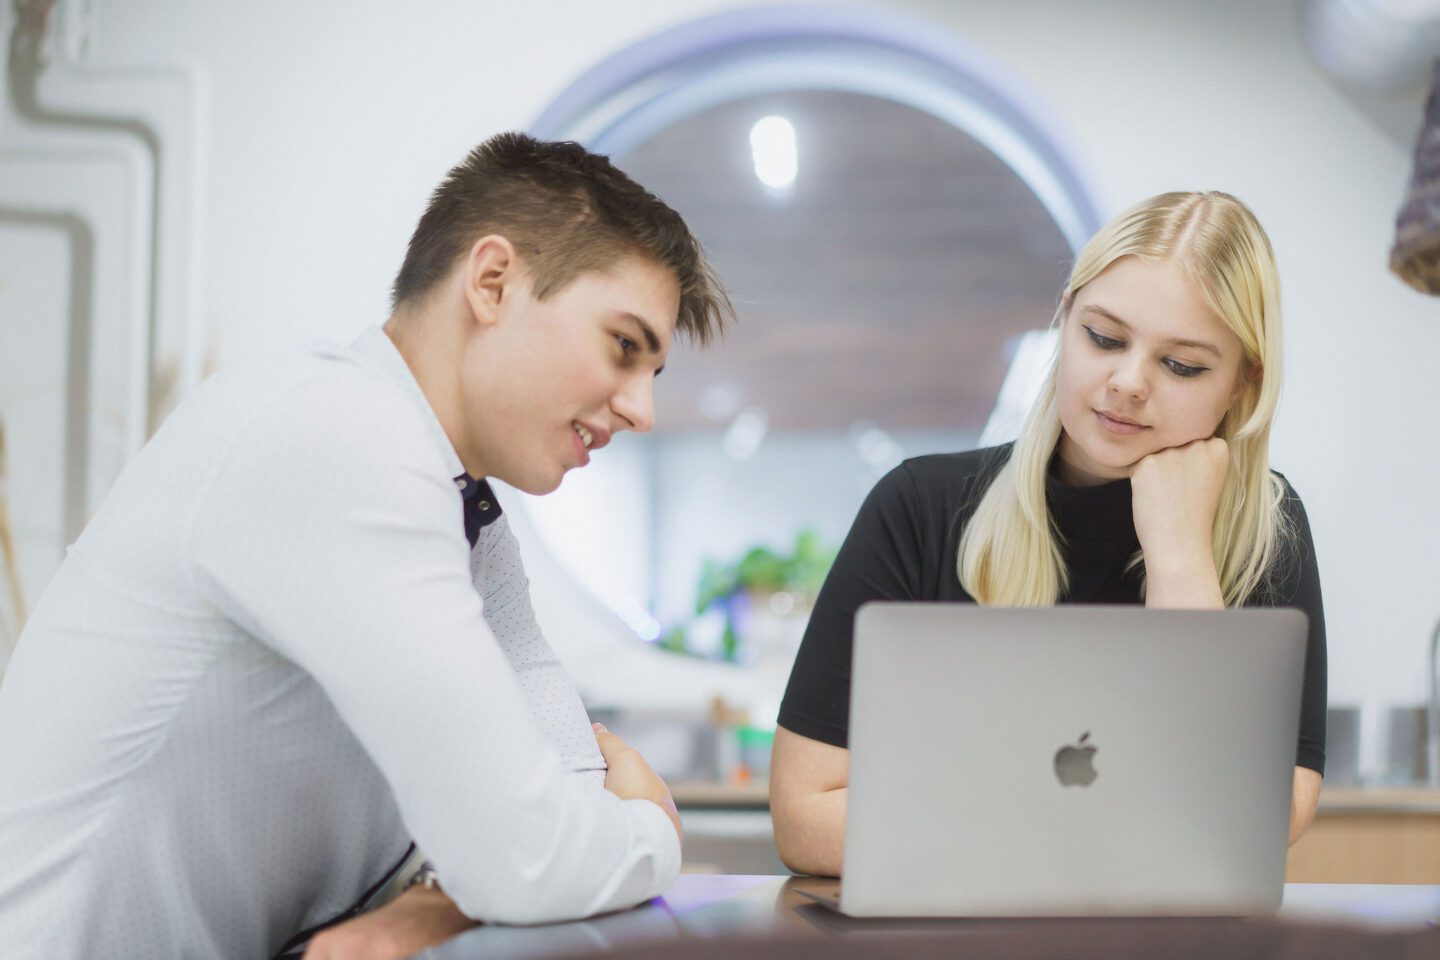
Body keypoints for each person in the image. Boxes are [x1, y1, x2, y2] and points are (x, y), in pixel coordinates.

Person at [0, 132, 731, 957]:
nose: (643, 411)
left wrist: (434, 904)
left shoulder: (464, 508)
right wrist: (652, 828)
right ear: (492, 282)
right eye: (624, 346)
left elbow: (561, 784)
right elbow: (529, 856)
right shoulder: (337, 438)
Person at [769, 191, 1325, 878]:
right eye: (1103, 337)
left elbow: (1257, 821)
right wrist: (1089, 846)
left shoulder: (1268, 528)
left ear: (1243, 384)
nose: (1127, 383)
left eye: (1181, 365)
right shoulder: (921, 507)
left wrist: (1180, 559)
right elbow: (803, 816)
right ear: (1063, 318)